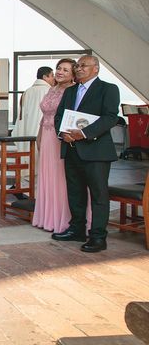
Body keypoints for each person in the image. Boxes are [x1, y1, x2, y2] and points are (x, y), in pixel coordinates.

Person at [53, 55, 120, 253]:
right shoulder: (70, 90)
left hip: (96, 151)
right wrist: (62, 132)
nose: (79, 69)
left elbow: (110, 117)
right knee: (75, 193)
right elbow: (59, 116)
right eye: (77, 66)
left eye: (83, 65)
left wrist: (83, 133)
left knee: (99, 195)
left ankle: (98, 237)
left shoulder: (108, 89)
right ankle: (77, 230)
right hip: (71, 149)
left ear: (95, 69)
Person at [32, 59, 76, 232]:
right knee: (46, 176)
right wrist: (39, 135)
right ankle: (46, 217)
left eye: (66, 70)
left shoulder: (73, 90)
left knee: (60, 178)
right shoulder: (52, 89)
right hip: (46, 135)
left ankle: (62, 219)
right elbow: (45, 116)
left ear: (73, 74)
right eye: (59, 68)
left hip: (60, 138)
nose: (60, 72)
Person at [12, 66, 55, 182]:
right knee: (40, 164)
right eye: (52, 76)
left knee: (29, 161)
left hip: (26, 132)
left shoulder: (27, 91)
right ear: (45, 77)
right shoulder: (49, 91)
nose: (54, 79)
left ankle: (25, 188)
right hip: (42, 132)